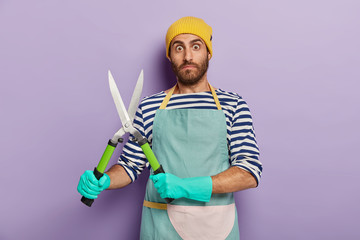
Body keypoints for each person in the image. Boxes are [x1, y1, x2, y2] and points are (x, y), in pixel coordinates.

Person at [78, 16, 262, 239]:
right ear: (169, 56)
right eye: (178, 48)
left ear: (208, 52)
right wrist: (105, 180)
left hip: (218, 226)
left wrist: (186, 187)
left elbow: (249, 172)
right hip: (161, 227)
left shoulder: (234, 105)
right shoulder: (149, 106)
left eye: (196, 46)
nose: (187, 56)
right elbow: (129, 166)